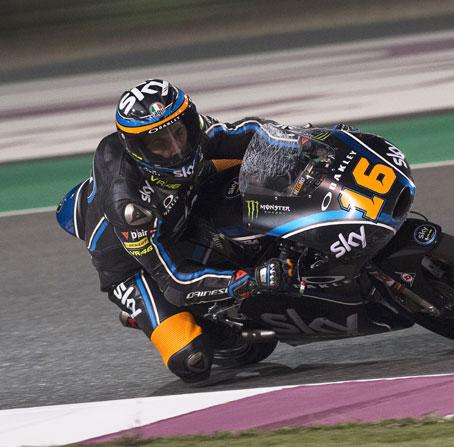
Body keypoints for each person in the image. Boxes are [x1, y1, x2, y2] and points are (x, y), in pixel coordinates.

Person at [56, 79, 288, 383]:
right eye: (160, 144)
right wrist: (245, 282)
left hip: (182, 204)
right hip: (136, 266)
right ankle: (161, 318)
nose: (177, 148)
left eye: (179, 132)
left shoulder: (195, 133)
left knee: (260, 157)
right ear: (139, 149)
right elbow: (175, 281)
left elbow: (251, 133)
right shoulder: (129, 205)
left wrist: (303, 139)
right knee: (191, 360)